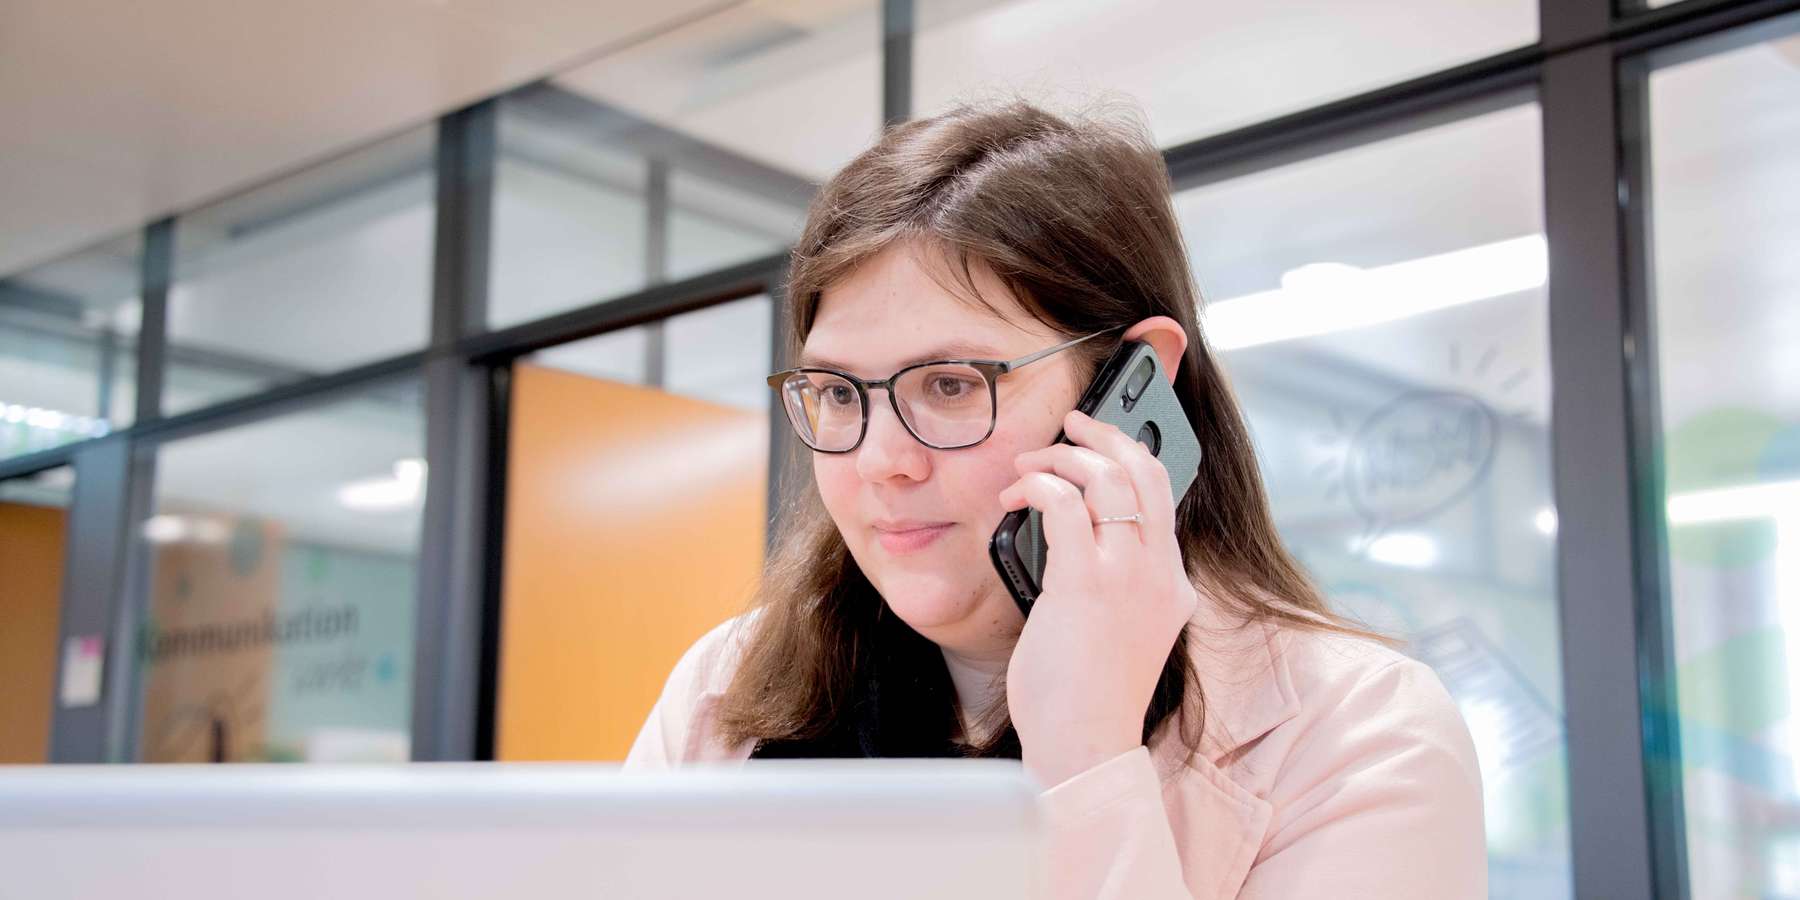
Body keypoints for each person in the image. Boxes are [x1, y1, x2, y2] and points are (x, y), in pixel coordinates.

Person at [623, 98, 1485, 899]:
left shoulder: (1362, 737)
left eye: (952, 385)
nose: (882, 460)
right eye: (841, 394)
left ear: (1134, 383)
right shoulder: (722, 690)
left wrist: (1085, 761)